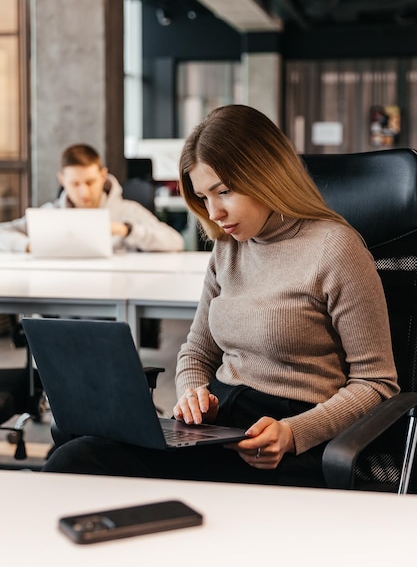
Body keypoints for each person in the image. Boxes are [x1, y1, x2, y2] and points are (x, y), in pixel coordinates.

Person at [42, 105, 399, 487]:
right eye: (203, 198)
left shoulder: (335, 248)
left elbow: (377, 383)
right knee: (72, 431)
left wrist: (294, 433)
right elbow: (196, 351)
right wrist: (193, 392)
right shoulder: (229, 246)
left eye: (223, 192)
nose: (215, 213)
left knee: (77, 459)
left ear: (267, 174)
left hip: (287, 439)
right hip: (221, 427)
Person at [0, 143, 184, 253]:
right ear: (62, 180)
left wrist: (126, 230)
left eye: (90, 182)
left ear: (103, 176)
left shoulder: (128, 211)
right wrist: (28, 246)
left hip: (115, 297)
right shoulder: (52, 214)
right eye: (75, 184)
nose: (84, 192)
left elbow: (175, 242)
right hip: (65, 297)